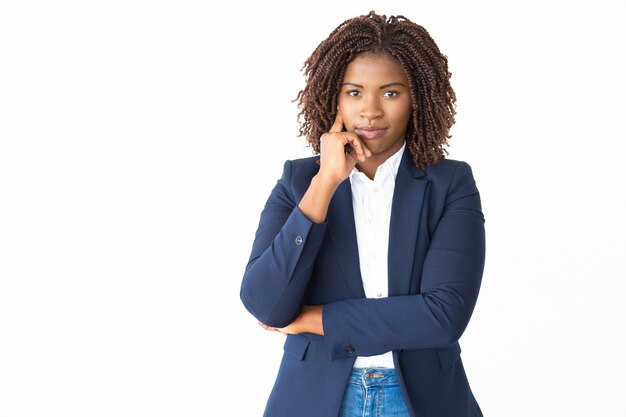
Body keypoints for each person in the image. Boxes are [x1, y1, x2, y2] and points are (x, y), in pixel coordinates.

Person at [240, 10, 485, 417]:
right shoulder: (299, 182)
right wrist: (324, 183)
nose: (370, 111)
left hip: (424, 400)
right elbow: (265, 303)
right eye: (354, 92)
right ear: (332, 98)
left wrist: (312, 319)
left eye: (390, 93)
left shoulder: (450, 184)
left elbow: (442, 316)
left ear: (417, 98)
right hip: (313, 399)